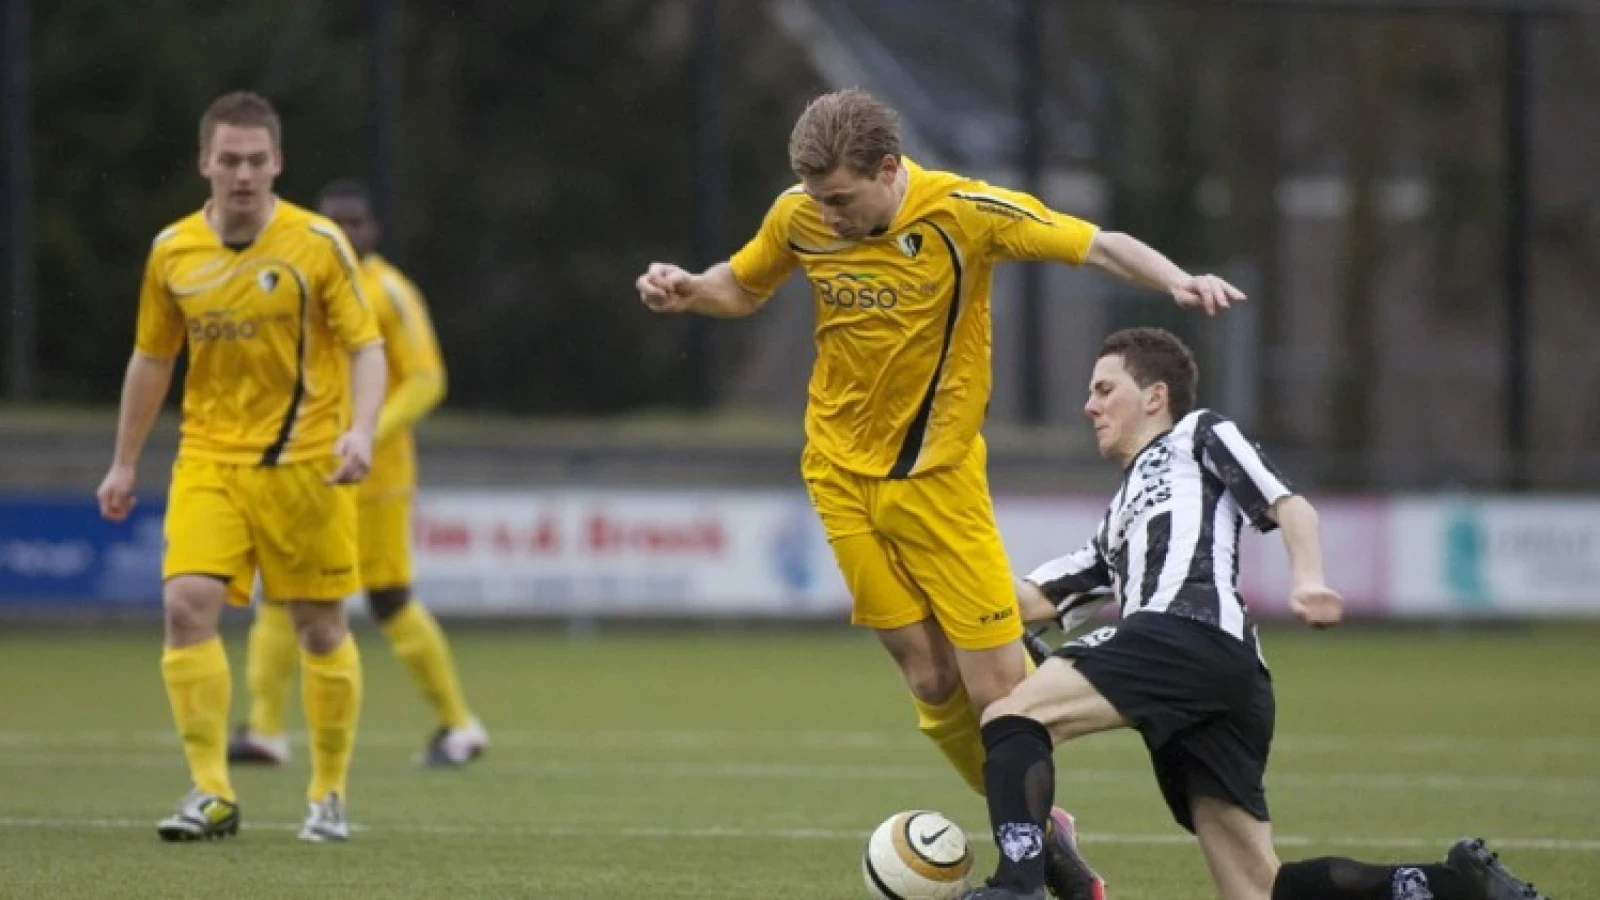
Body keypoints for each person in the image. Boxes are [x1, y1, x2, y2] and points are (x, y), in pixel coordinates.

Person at [635, 87, 1244, 900]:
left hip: (940, 484)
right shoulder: (801, 214)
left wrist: (1176, 279)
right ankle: (1042, 840)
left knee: (999, 699)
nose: (828, 216)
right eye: (817, 200)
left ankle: (1027, 796)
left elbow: (1097, 245)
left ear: (889, 170)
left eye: (842, 199)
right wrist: (688, 290)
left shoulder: (965, 214)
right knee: (927, 680)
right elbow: (742, 285)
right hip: (839, 475)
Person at [961, 327, 1548, 900]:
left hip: (1187, 633)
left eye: (1103, 389)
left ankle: (1018, 885)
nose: (1088, 406)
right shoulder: (1117, 519)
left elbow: (1290, 506)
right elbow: (1026, 601)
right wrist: (933, 556)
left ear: (1155, 396)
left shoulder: (1199, 432)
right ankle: (1453, 884)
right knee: (1257, 885)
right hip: (1220, 678)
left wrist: (1309, 578)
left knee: (1012, 717)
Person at [96, 91, 386, 843]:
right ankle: (211, 791)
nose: (244, 174)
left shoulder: (319, 245)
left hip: (307, 468)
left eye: (257, 160)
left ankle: (328, 794)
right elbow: (152, 359)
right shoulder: (172, 253)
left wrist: (361, 432)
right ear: (205, 163)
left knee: (321, 629)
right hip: (209, 462)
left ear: (278, 163)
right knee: (185, 606)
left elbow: (366, 347)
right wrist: (123, 463)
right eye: (230, 159)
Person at [229, 179, 488, 769]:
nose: (344, 233)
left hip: (377, 477)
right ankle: (266, 730)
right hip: (306, 467)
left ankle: (459, 725)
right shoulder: (301, 286)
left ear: (372, 230)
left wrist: (368, 431)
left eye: (355, 223)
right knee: (278, 593)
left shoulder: (391, 292)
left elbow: (427, 381)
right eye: (333, 223)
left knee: (390, 600)